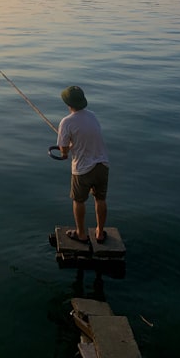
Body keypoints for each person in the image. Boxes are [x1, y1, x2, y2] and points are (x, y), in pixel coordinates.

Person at [57, 86, 109, 244]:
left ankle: (81, 234)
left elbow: (64, 151)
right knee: (100, 199)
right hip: (102, 165)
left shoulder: (66, 122)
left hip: (82, 169)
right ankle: (100, 232)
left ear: (68, 103)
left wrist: (64, 152)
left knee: (78, 201)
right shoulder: (92, 116)